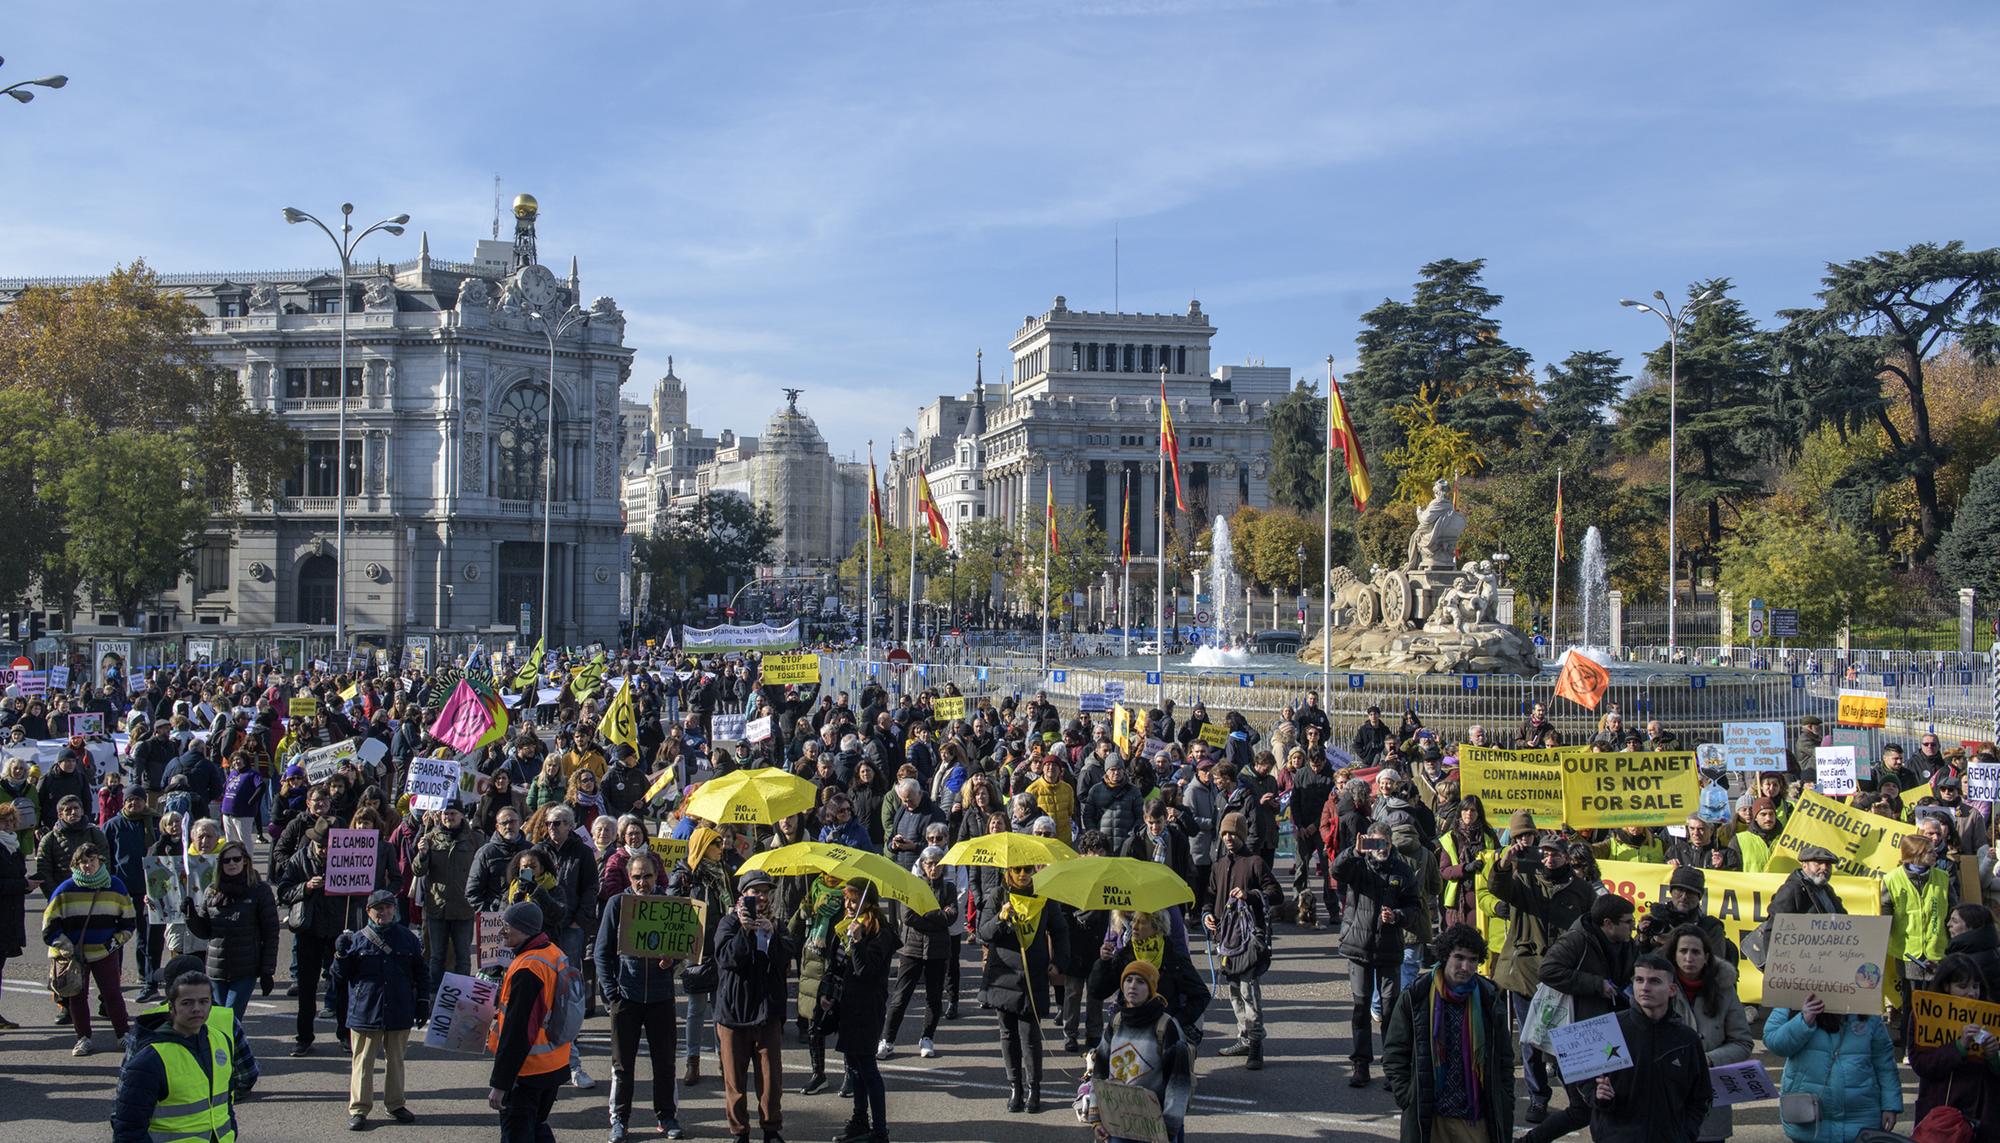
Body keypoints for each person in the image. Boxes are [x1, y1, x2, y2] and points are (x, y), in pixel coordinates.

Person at [1489, 830, 1598, 1124]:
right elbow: (1498, 888)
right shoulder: (1525, 882)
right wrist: (1502, 864)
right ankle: (1538, 1098)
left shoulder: (1580, 890)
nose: (1549, 858)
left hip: (1563, 977)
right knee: (1530, 1041)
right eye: (1545, 853)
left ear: (1566, 857)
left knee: (1565, 1041)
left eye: (1556, 854)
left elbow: (1593, 926)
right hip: (1526, 972)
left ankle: (1577, 1097)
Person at [1519, 894, 1637, 1143]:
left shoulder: (1625, 942)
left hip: (1608, 1031)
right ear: (1608, 923)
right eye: (1628, 922)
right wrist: (1595, 984)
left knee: (1594, 1104)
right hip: (1578, 1034)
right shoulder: (1577, 939)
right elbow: (1548, 970)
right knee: (1587, 1105)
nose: (1632, 926)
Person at [1382, 924, 1514, 1143]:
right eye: (1459, 957)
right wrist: (1407, 1096)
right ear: (1445, 957)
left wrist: (1506, 1098)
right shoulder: (1416, 996)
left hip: (1475, 1117)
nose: (1465, 966)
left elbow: (1505, 1058)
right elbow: (1394, 1052)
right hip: (1431, 1116)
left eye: (1472, 960)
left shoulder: (1489, 997)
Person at [594, 849, 685, 1142]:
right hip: (627, 996)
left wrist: (672, 962)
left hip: (660, 997)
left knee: (665, 1062)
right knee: (623, 1065)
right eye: (636, 877)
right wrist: (611, 993)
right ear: (628, 877)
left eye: (647, 876)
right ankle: (619, 1120)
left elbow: (684, 949)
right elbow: (602, 952)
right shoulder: (617, 904)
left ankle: (666, 1116)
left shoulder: (669, 904)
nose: (642, 882)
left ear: (657, 875)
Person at [1588, 955, 1714, 1143]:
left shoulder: (1687, 1039)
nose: (1645, 987)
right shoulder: (1609, 1029)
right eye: (1639, 980)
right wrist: (1599, 1097)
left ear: (1672, 990)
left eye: (1654, 981)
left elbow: (1701, 1097)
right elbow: (1584, 1083)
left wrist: (1686, 1134)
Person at [1333, 822, 1420, 1088]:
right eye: (1374, 843)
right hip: (1359, 947)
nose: (1380, 848)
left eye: (1384, 843)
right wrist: (1354, 852)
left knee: (1390, 1009)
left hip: (1389, 948)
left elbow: (1414, 906)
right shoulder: (1358, 865)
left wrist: (1398, 916)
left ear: (1391, 843)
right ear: (1368, 843)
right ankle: (1361, 1064)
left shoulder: (1403, 871)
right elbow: (1337, 871)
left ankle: (1392, 1065)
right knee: (1360, 1008)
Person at [332, 889, 427, 1130]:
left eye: (388, 907)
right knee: (363, 1061)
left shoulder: (408, 938)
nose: (383, 913)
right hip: (366, 1009)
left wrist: (423, 1001)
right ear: (369, 912)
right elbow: (341, 977)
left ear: (395, 909)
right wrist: (340, 955)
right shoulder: (356, 940)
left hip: (399, 1007)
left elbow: (420, 973)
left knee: (396, 1060)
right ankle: (359, 1108)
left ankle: (395, 1104)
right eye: (378, 909)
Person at [980, 862, 1071, 1113]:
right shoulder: (999, 896)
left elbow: (1061, 931)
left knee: (1030, 1037)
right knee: (1007, 1034)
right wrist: (1000, 917)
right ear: (1008, 872)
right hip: (1002, 976)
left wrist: (1058, 963)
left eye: (1027, 870)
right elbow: (984, 932)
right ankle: (1015, 1088)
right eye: (1017, 870)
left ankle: (1034, 1089)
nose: (1022, 875)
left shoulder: (1044, 897)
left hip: (1033, 975)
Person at [111, 971, 242, 1143]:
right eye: (187, 1003)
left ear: (211, 1004)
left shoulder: (221, 1041)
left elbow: (224, 1103)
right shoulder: (150, 1059)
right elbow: (128, 1130)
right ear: (172, 1007)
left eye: (204, 1001)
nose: (197, 1008)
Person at [715, 868, 792, 1143]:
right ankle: (740, 1131)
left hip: (767, 1012)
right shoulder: (729, 923)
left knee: (771, 1080)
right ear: (743, 895)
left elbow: (785, 959)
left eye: (764, 892)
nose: (759, 897)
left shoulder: (777, 924)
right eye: (754, 891)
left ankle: (771, 1129)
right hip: (733, 1013)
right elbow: (727, 959)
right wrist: (744, 931)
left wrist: (771, 936)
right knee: (735, 1080)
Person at [1765, 991, 1903, 1142]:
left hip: (1861, 1116)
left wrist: (1890, 1105)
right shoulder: (1792, 998)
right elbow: (1775, 1043)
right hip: (1809, 1116)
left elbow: (1884, 1062)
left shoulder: (1866, 1009)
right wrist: (1803, 1021)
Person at [487, 899, 571, 1143]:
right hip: (552, 1063)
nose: (502, 931)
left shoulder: (528, 968)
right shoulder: (552, 952)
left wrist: (500, 1083)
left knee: (518, 1133)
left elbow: (519, 1031)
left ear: (523, 929)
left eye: (507, 926)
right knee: (538, 1126)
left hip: (528, 1071)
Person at [1087, 959, 1196, 1143]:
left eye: (1140, 981)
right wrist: (1097, 1119)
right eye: (1128, 980)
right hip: (1118, 1121)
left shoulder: (1166, 1026)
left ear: (1151, 988)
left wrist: (1167, 1131)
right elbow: (1100, 1071)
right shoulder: (1117, 1022)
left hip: (1155, 1124)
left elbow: (1178, 1083)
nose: (1132, 986)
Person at [1664, 925, 1753, 1143]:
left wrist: (1710, 1059)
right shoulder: (1655, 985)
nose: (1689, 957)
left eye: (1695, 952)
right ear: (1674, 955)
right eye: (1683, 951)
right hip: (1664, 1096)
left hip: (1709, 1101)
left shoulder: (1725, 989)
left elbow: (1742, 1042)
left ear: (1706, 957)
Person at [827, 880, 896, 1143]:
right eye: (846, 899)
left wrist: (856, 942)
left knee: (867, 1066)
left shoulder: (881, 931)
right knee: (853, 1065)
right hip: (850, 1004)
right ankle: (859, 1120)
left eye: (853, 900)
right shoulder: (849, 925)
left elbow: (866, 971)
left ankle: (879, 1131)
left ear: (867, 903)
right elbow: (839, 965)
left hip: (868, 1006)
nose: (847, 905)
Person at [277, 819, 354, 1055]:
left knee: (341, 986)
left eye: (329, 846)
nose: (325, 850)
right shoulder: (300, 858)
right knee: (307, 988)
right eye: (321, 846)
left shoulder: (345, 857)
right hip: (309, 931)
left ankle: (345, 1035)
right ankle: (304, 1037)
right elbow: (283, 892)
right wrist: (306, 887)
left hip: (336, 930)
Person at [185, 838, 279, 1021]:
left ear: (245, 860)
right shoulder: (212, 891)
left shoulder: (260, 890)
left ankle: (234, 1050)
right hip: (216, 969)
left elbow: (271, 933)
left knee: (231, 1019)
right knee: (219, 1020)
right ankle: (226, 1050)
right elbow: (205, 932)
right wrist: (190, 916)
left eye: (236, 859)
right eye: (226, 860)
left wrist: (268, 971)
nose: (232, 864)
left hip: (245, 968)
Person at [1910, 953, 2000, 1142]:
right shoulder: (1924, 1013)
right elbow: (1921, 1064)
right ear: (1946, 986)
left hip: (1981, 1118)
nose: (1971, 993)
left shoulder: (1991, 1016)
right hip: (1939, 1118)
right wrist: (1958, 1047)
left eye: (1975, 986)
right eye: (1962, 986)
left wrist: (1993, 1057)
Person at [878, 845, 958, 1060]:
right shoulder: (911, 885)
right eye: (929, 863)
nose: (933, 868)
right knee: (900, 996)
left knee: (934, 997)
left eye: (937, 864)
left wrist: (929, 915)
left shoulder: (949, 888)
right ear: (922, 865)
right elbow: (908, 917)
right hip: (911, 948)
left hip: (938, 950)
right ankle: (887, 1039)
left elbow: (951, 917)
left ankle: (927, 1037)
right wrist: (937, 916)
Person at [0, 800, 25, 1029]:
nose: (8, 825)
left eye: (11, 821)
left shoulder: (14, 845)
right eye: (3, 821)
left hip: (10, 916)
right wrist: (23, 885)